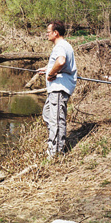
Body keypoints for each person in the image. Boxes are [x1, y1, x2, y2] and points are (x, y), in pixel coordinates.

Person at [37, 20, 77, 157]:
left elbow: (61, 62)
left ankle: (56, 153)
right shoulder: (63, 45)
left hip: (59, 89)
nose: (46, 34)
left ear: (56, 32)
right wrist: (47, 69)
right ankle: (53, 146)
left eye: (48, 32)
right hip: (56, 89)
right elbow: (59, 64)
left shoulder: (60, 46)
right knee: (48, 114)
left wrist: (51, 73)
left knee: (56, 120)